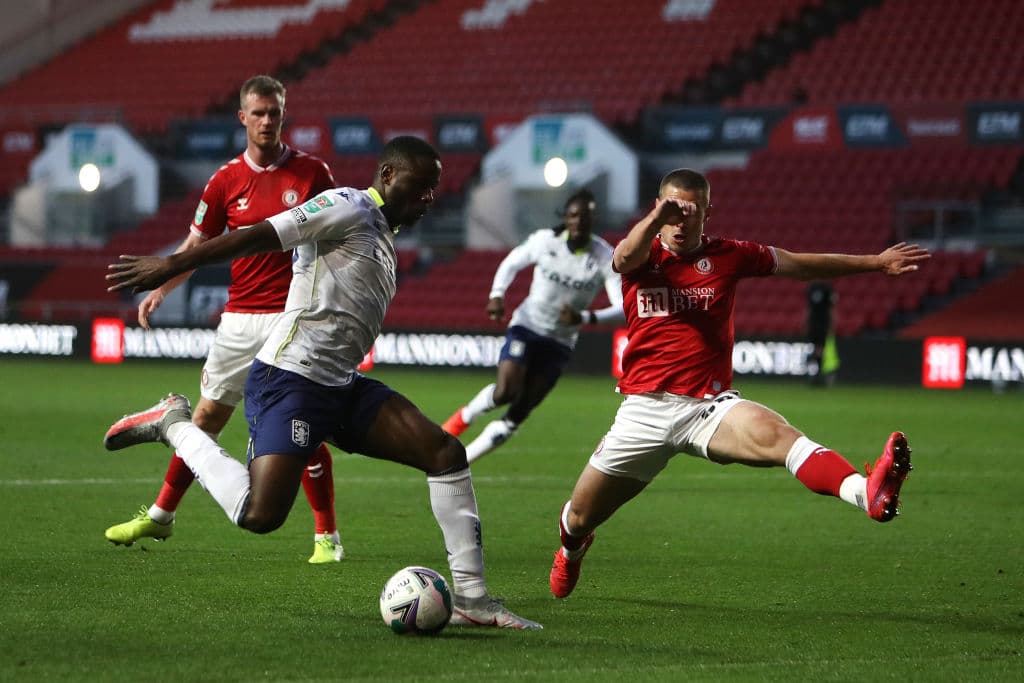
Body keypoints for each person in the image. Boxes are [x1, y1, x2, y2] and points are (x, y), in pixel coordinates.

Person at [103, 136, 541, 630]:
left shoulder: (382, 234)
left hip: (340, 385)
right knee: (260, 515)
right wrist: (172, 264)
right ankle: (174, 424)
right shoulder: (348, 206)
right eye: (421, 186)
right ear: (389, 175)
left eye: (434, 189)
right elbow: (258, 235)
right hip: (290, 379)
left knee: (445, 453)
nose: (429, 198)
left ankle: (473, 601)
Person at [549, 168, 928, 599]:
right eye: (672, 211)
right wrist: (657, 218)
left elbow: (799, 264)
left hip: (707, 408)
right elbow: (622, 258)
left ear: (708, 212)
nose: (680, 221)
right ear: (657, 210)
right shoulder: (642, 253)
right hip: (644, 411)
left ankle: (866, 494)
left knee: (780, 436)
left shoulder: (729, 255)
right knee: (579, 516)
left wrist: (875, 262)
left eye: (691, 212)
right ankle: (572, 550)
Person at [104, 75, 344, 564]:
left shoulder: (312, 173)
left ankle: (327, 537)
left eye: (274, 112)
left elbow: (338, 237)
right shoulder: (224, 181)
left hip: (290, 319)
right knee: (205, 421)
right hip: (238, 321)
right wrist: (162, 287)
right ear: (242, 118)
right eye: (258, 113)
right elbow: (196, 247)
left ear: (283, 114)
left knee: (300, 427)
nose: (267, 121)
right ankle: (162, 515)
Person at [441, 189, 624, 463]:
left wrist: (584, 318)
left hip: (560, 341)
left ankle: (460, 462)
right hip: (527, 326)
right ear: (566, 217)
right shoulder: (545, 241)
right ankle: (463, 418)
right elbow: (511, 262)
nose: (579, 221)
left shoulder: (605, 258)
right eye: (573, 215)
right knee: (505, 391)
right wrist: (497, 294)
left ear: (593, 220)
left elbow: (623, 309)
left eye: (585, 216)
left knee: (520, 410)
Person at [806, 281, 839, 386]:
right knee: (817, 349)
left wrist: (831, 324)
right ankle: (817, 374)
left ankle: (819, 374)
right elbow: (809, 307)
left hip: (822, 322)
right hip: (815, 323)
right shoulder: (812, 288)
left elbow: (831, 308)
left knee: (820, 348)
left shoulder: (826, 289)